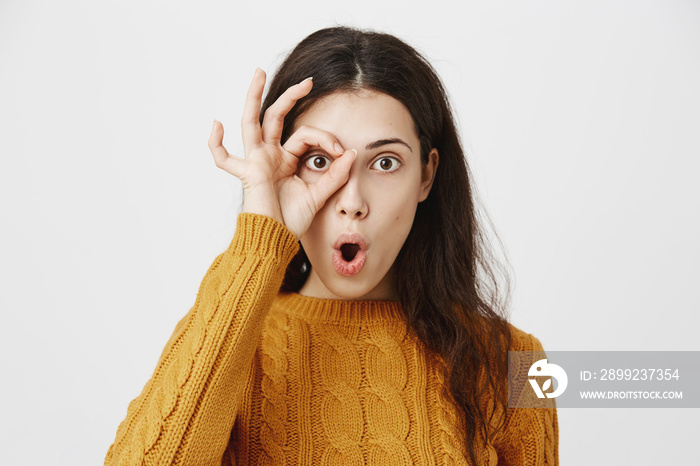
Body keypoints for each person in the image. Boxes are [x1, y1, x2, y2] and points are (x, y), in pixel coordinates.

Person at [104, 26, 558, 466]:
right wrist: (260, 234)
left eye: (385, 162)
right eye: (319, 161)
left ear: (426, 175)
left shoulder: (519, 365)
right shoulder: (229, 345)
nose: (351, 202)